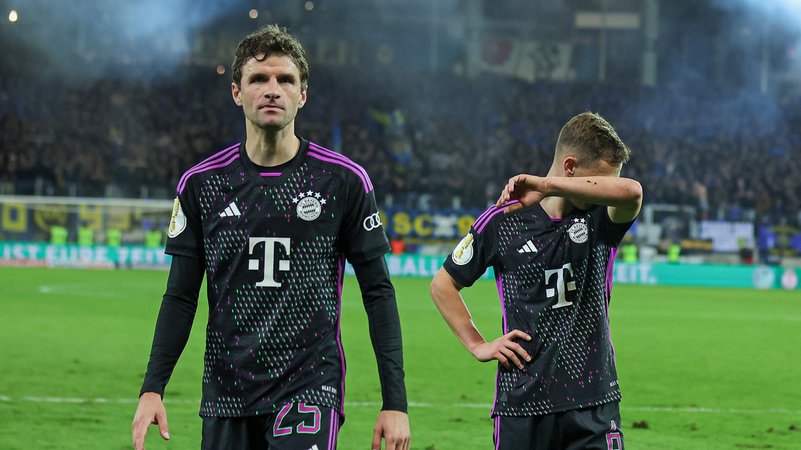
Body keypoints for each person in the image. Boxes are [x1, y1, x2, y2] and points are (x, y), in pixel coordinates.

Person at [132, 25, 410, 450]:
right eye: (258, 79)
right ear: (236, 92)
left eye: (286, 80)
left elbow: (378, 292)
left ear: (303, 95)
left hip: (308, 384)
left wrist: (396, 403)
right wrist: (153, 388)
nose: (272, 89)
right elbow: (180, 296)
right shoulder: (201, 184)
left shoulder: (343, 181)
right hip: (227, 390)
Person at [430, 112, 642, 449]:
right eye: (596, 182)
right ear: (570, 166)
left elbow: (632, 192)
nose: (601, 191)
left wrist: (546, 185)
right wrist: (478, 344)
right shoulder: (503, 220)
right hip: (522, 404)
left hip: (594, 403)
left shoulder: (604, 216)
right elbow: (443, 285)